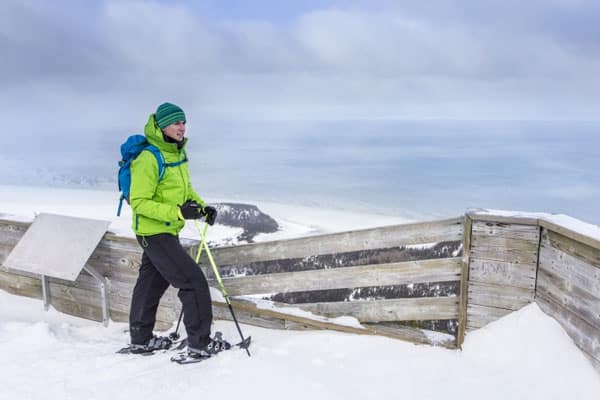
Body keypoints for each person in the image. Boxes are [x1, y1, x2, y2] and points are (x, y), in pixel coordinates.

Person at [127, 102, 229, 358]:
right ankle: (200, 343)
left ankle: (140, 339)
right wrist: (178, 212)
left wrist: (203, 209)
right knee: (193, 282)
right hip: (153, 232)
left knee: (150, 284)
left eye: (183, 122)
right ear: (162, 126)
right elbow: (139, 203)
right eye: (176, 122)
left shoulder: (177, 153)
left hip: (166, 230)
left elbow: (185, 191)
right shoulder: (149, 158)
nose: (181, 127)